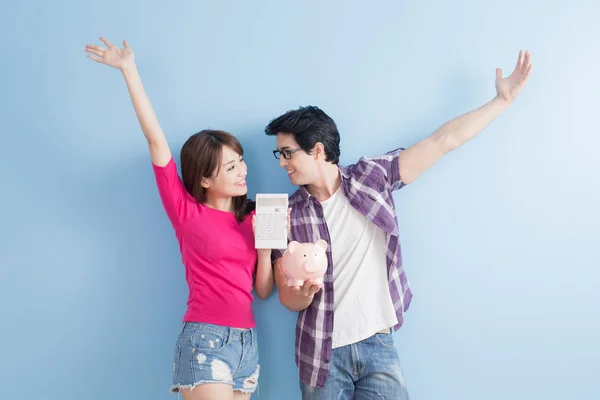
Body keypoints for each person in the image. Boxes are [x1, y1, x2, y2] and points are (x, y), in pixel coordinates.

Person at [266, 50, 532, 399]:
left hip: (379, 345)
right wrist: (298, 294)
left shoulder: (371, 178)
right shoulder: (280, 213)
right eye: (279, 154)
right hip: (321, 356)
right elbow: (285, 298)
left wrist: (501, 100)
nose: (282, 162)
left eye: (287, 152)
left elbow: (441, 142)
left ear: (316, 151)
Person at [85, 37, 282, 400]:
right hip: (205, 341)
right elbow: (156, 141)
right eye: (231, 166)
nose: (243, 171)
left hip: (247, 344)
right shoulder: (185, 210)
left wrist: (267, 251)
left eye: (241, 161)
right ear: (204, 179)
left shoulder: (254, 214)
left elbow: (264, 291)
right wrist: (129, 70)